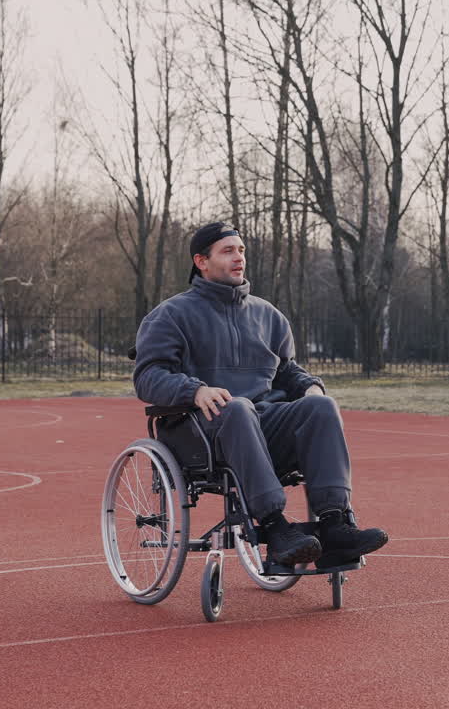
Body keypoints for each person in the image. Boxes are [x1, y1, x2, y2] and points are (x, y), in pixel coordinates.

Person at [133, 221, 389, 568]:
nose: (239, 258)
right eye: (228, 251)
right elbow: (148, 376)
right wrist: (195, 390)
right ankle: (274, 526)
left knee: (321, 407)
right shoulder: (171, 315)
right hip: (199, 427)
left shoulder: (269, 316)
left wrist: (309, 386)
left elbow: (286, 370)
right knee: (237, 407)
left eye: (241, 250)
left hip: (262, 422)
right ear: (201, 261)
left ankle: (334, 525)